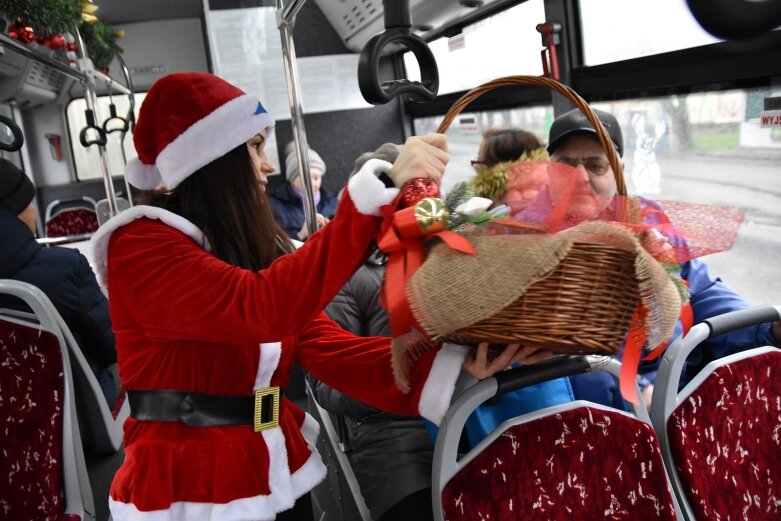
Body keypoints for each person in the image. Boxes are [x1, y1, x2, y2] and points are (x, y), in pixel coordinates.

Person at [91, 71, 539, 521]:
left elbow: (336, 353)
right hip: (188, 486)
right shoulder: (140, 247)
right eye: (254, 147)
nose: (267, 165)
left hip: (272, 462)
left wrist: (455, 360)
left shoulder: (252, 255)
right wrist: (369, 200)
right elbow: (260, 308)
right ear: (212, 160)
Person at [544, 107, 781, 406]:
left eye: (595, 165)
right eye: (565, 165)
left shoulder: (651, 223)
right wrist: (635, 395)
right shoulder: (521, 239)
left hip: (670, 391)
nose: (579, 177)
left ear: (619, 170)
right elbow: (551, 351)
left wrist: (767, 327)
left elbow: (699, 291)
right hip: (594, 407)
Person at [310, 143, 437, 521]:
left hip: (467, 421)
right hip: (395, 437)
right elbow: (327, 380)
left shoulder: (445, 257)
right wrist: (406, 379)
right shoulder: (345, 276)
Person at [0, 158, 118, 407]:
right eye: (28, 203)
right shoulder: (65, 267)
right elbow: (110, 344)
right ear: (16, 214)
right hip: (81, 414)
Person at [268, 140, 338, 241]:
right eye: (305, 178)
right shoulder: (273, 205)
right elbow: (274, 246)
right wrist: (301, 235)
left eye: (316, 178)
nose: (312, 184)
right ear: (292, 178)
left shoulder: (333, 203)